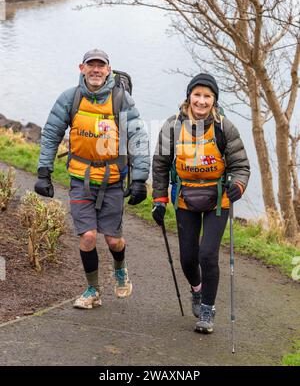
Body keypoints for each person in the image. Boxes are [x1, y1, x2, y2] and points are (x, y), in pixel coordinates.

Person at [35, 49, 150, 309]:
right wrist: (44, 172)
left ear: (108, 70)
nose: (96, 70)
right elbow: (52, 132)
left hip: (112, 181)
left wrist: (140, 179)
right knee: (87, 236)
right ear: (82, 68)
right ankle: (93, 290)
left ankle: (120, 269)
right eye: (91, 65)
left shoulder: (121, 100)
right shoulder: (70, 98)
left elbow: (139, 139)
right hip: (80, 179)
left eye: (101, 66)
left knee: (113, 240)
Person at [152, 73, 250, 333]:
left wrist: (238, 185)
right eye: (197, 95)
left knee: (207, 254)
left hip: (219, 199)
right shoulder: (172, 126)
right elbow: (160, 165)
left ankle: (207, 311)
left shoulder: (224, 127)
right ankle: (197, 289)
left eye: (207, 96)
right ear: (189, 97)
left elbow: (240, 165)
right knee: (187, 258)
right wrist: (159, 199)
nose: (202, 101)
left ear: (214, 100)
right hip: (185, 198)